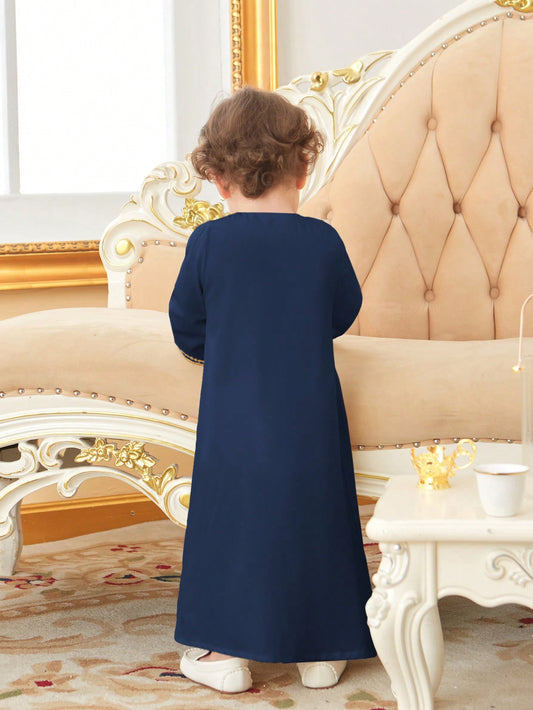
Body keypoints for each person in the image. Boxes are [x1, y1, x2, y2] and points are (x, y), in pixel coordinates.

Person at [168, 85, 376, 694]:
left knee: (229, 523)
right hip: (311, 418)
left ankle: (222, 653)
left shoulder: (209, 242)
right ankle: (323, 650)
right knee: (318, 517)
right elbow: (343, 312)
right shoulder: (323, 241)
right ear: (303, 169)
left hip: (235, 418)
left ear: (217, 179)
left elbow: (187, 326)